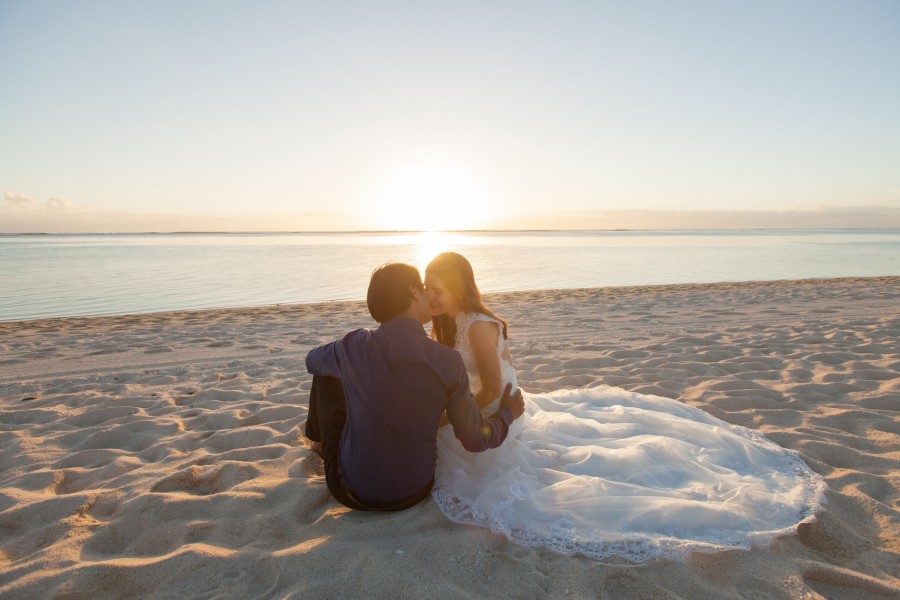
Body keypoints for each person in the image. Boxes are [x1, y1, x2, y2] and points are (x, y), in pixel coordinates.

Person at [424, 252, 826, 562]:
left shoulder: (478, 325)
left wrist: (448, 417)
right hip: (486, 400)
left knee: (507, 478)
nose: (429, 296)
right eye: (425, 288)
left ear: (460, 288)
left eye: (436, 289)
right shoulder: (452, 322)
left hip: (498, 403)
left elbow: (492, 387)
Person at [303, 262, 525, 511]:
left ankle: (318, 443)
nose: (428, 294)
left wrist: (349, 358)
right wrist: (507, 413)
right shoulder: (447, 360)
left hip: (351, 490)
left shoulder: (354, 343)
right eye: (423, 287)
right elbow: (474, 439)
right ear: (413, 291)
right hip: (415, 490)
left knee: (325, 374)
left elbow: (312, 360)